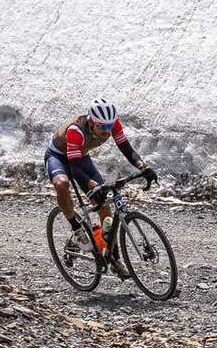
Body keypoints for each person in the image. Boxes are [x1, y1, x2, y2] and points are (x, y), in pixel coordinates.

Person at [44, 98, 157, 277]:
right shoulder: (76, 131)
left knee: (103, 204)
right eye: (102, 127)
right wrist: (92, 185)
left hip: (79, 156)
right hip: (59, 156)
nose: (107, 131)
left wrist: (143, 167)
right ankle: (76, 228)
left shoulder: (112, 124)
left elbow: (125, 147)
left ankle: (114, 258)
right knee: (62, 184)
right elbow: (75, 169)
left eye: (109, 126)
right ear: (91, 122)